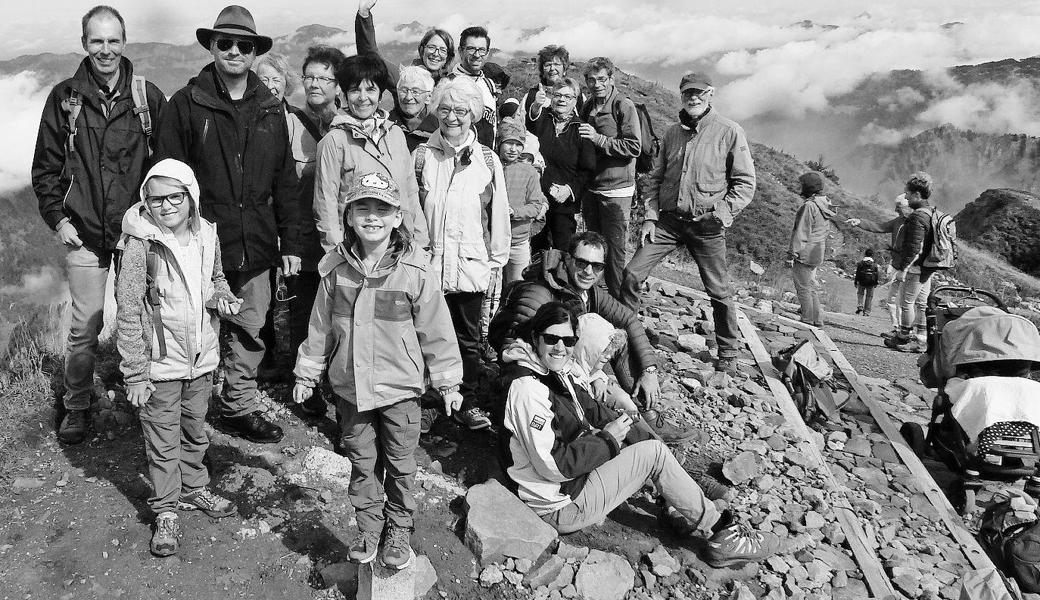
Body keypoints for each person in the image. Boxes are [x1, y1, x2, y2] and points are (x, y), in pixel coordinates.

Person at [499, 301, 778, 568]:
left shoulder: (551, 372)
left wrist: (626, 426)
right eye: (552, 339)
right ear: (536, 337)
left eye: (569, 341)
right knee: (653, 455)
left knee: (643, 443)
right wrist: (608, 439)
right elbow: (554, 465)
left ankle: (680, 505)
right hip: (560, 504)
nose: (561, 347)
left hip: (570, 484)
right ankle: (721, 532)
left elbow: (591, 409)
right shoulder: (528, 389)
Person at [292, 172, 464, 570]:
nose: (372, 218)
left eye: (382, 209)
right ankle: (369, 527)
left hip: (401, 390)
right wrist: (306, 373)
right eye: (362, 209)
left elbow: (437, 331)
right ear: (348, 216)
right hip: (351, 388)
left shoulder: (415, 271)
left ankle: (399, 528)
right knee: (361, 462)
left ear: (397, 216)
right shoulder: (335, 269)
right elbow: (320, 328)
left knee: (402, 465)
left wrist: (449, 382)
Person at [154, 5, 300, 444]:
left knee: (251, 323)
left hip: (255, 235)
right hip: (199, 238)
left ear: (255, 52)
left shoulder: (271, 109)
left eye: (244, 44)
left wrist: (290, 240)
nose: (235, 51)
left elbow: (285, 181)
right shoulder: (185, 104)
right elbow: (166, 175)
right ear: (212, 47)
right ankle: (187, 415)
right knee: (193, 326)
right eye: (226, 43)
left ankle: (237, 404)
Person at [31, 5, 167, 444]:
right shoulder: (65, 98)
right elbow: (46, 168)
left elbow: (164, 168)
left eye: (113, 41)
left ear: (125, 42)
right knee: (85, 327)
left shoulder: (148, 99)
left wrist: (157, 222)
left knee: (146, 317)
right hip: (85, 232)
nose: (105, 50)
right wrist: (58, 219)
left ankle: (151, 395)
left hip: (134, 234)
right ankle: (76, 405)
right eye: (97, 41)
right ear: (84, 43)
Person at [115, 159, 241, 557]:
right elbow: (129, 308)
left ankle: (194, 487)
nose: (167, 206)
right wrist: (135, 373)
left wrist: (222, 297)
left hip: (200, 358)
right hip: (160, 364)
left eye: (175, 197)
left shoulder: (207, 234)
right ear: (145, 201)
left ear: (191, 196)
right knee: (162, 438)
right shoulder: (140, 244)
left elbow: (215, 279)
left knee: (194, 429)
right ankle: (166, 510)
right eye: (156, 199)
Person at [490, 232, 697, 443]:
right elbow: (514, 350)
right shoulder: (541, 292)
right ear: (568, 259)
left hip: (571, 365)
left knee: (617, 337)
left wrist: (649, 370)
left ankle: (646, 415)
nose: (589, 271)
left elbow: (629, 320)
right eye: (582, 263)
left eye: (597, 266)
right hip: (544, 375)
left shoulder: (589, 292)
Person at [621, 72, 755, 373]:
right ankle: (626, 332)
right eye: (687, 94)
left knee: (719, 290)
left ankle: (729, 353)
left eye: (699, 93)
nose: (693, 98)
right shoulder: (672, 133)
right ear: (681, 96)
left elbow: (745, 183)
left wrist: (721, 214)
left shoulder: (730, 131)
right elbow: (655, 178)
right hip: (668, 222)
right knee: (631, 274)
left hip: (706, 226)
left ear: (710, 94)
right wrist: (650, 217)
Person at [413, 76, 510, 431]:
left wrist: (496, 261)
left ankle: (466, 400)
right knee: (426, 332)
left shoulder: (488, 159)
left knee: (468, 339)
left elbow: (498, 213)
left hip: (470, 265)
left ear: (474, 114)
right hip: (431, 264)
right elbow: (412, 212)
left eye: (461, 110)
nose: (452, 117)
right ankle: (428, 397)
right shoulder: (422, 156)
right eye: (445, 109)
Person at [313, 53, 429, 254]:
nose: (363, 97)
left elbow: (410, 193)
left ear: (381, 94)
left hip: (400, 249)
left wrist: (421, 244)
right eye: (355, 90)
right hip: (355, 251)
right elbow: (326, 204)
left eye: (370, 89)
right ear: (345, 95)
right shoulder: (335, 140)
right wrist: (336, 255)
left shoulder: (395, 134)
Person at [578, 57, 642, 298]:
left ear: (611, 79)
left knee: (614, 254)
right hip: (592, 190)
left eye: (602, 79)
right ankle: (596, 300)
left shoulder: (623, 106)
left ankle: (621, 309)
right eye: (591, 80)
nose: (597, 84)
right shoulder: (588, 106)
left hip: (616, 192)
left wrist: (598, 139)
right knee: (594, 251)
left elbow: (633, 147)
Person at [527, 77, 597, 253]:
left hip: (564, 204)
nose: (562, 100)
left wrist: (569, 190)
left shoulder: (581, 129)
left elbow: (587, 169)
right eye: (558, 95)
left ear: (575, 101)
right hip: (536, 198)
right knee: (535, 249)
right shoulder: (543, 119)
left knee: (563, 252)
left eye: (567, 96)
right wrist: (536, 106)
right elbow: (529, 125)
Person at [845, 194, 913, 333]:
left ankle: (905, 331)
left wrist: (905, 267)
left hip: (906, 267)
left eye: (899, 207)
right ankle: (898, 328)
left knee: (903, 300)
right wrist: (860, 222)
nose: (896, 210)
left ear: (907, 206)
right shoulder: (898, 221)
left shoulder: (914, 223)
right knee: (893, 300)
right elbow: (880, 226)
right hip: (897, 265)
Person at [886, 172, 938, 353]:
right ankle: (922, 340)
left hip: (916, 268)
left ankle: (903, 338)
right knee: (921, 304)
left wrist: (903, 270)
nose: (906, 197)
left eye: (907, 193)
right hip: (928, 268)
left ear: (917, 194)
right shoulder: (932, 213)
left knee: (907, 303)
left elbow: (914, 248)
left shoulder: (917, 217)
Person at [355, 0, 455, 90]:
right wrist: (364, 14)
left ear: (448, 57)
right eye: (432, 47)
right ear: (422, 50)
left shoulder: (452, 85)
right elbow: (372, 59)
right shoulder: (403, 78)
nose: (436, 53)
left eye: (443, 50)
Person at [498, 117, 547, 285]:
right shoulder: (490, 167)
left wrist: (515, 212)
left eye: (518, 144)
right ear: (499, 142)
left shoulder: (529, 172)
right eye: (509, 143)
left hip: (518, 241)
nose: (513, 149)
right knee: (489, 291)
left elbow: (535, 206)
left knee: (517, 287)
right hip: (492, 240)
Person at [788, 172, 836, 327]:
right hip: (817, 251)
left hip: (805, 252)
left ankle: (808, 319)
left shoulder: (809, 206)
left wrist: (792, 253)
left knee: (803, 287)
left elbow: (802, 231)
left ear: (808, 187)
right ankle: (817, 319)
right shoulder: (825, 205)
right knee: (811, 286)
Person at [446, 26, 498, 148]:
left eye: (481, 50)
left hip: (486, 158)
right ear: (460, 51)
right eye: (471, 49)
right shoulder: (449, 84)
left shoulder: (489, 85)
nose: (477, 54)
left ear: (487, 52)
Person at [520, 45, 583, 118]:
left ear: (564, 69)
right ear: (542, 71)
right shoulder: (531, 96)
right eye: (548, 65)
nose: (552, 68)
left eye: (557, 64)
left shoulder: (577, 95)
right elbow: (518, 123)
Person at [390, 66, 439, 152]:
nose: (408, 97)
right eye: (404, 90)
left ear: (428, 97)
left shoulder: (439, 129)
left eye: (415, 92)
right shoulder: (386, 125)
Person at [853, 249, 879, 317]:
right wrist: (876, 282)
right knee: (869, 296)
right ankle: (866, 312)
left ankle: (860, 305)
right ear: (872, 255)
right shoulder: (874, 264)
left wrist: (856, 281)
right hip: (871, 282)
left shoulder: (861, 263)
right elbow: (876, 274)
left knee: (860, 293)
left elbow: (857, 273)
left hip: (861, 281)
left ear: (865, 254)